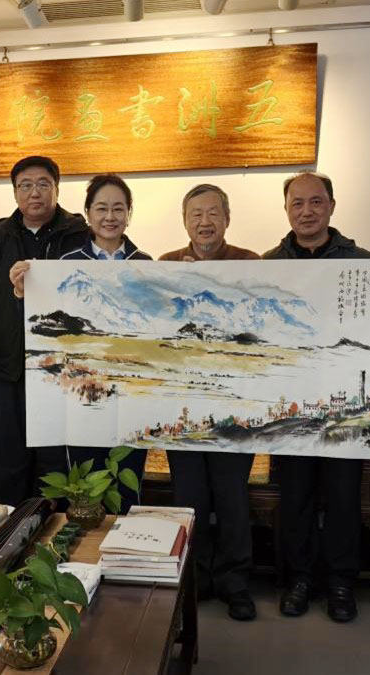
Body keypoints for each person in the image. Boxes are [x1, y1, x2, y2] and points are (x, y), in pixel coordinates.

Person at [263, 171, 370, 624]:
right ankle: (300, 579)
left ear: (331, 206)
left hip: (346, 405)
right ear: (286, 210)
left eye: (315, 202)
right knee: (296, 495)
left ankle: (342, 582)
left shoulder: (362, 262)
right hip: (290, 402)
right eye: (297, 203)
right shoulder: (269, 264)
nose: (306, 211)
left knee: (344, 496)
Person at [10, 174, 150, 511]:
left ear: (129, 213)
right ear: (87, 213)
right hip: (81, 394)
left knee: (127, 485)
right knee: (85, 488)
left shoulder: (146, 265)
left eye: (118, 208)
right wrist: (23, 293)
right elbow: (45, 325)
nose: (110, 216)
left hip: (132, 395)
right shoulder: (66, 264)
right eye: (101, 208)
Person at [161, 184, 262, 622]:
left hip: (235, 404)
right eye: (196, 214)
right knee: (190, 496)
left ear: (227, 218)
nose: (204, 222)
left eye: (213, 213)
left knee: (232, 495)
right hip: (181, 405)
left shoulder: (250, 263)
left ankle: (235, 582)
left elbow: (260, 325)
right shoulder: (166, 266)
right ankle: (195, 577)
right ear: (185, 221)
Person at [0, 156, 90, 506]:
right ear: (15, 192)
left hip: (61, 373)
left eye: (43, 184)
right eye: (25, 185)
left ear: (57, 189)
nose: (35, 192)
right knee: (9, 467)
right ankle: (8, 541)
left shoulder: (80, 236)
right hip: (10, 371)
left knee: (56, 470)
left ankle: (55, 538)